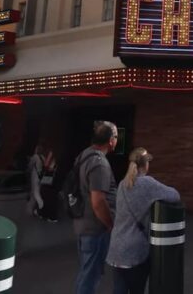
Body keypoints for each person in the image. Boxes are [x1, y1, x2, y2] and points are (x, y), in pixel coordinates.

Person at [106, 148, 180, 294]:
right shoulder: (147, 184)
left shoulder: (122, 184)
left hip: (116, 248)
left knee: (118, 290)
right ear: (145, 165)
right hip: (135, 251)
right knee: (137, 289)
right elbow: (175, 195)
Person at [74, 121, 118, 294]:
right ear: (110, 140)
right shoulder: (99, 163)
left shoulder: (84, 155)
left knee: (86, 271)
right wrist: (110, 224)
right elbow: (98, 201)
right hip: (95, 228)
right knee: (91, 275)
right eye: (115, 136)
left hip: (82, 223)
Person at [27, 141, 57, 221]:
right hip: (42, 177)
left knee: (36, 193)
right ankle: (32, 210)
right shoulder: (43, 157)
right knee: (36, 193)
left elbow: (30, 166)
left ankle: (41, 207)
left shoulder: (35, 157)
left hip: (35, 177)